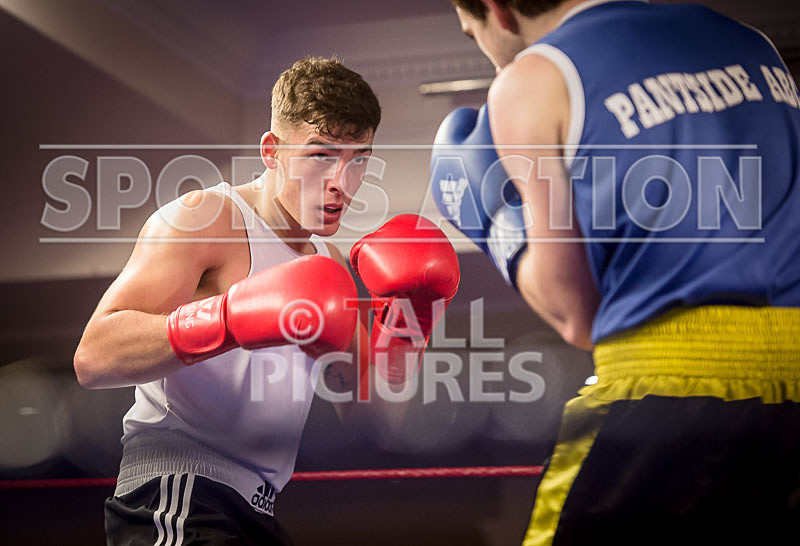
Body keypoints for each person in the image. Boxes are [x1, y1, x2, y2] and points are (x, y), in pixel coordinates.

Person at [433, 1, 800, 544]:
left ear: (497, 11)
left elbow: (575, 314)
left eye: (473, 35)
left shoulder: (534, 79)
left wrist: (493, 225)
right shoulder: (753, 44)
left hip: (670, 404)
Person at [74, 56, 459, 545]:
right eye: (321, 155)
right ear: (272, 151)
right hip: (175, 494)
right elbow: (93, 357)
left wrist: (411, 321)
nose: (342, 181)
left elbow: (375, 417)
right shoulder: (207, 219)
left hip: (259, 509)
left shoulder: (330, 262)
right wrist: (232, 318)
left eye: (358, 158)